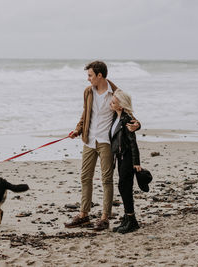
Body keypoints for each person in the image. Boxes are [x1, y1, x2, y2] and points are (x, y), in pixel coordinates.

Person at [64, 61, 140, 231]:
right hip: (89, 141)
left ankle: (105, 217)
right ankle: (84, 215)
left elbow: (129, 114)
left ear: (100, 75)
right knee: (85, 177)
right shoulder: (88, 92)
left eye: (90, 75)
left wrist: (137, 125)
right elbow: (85, 113)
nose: (88, 78)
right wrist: (77, 130)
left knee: (106, 180)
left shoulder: (116, 93)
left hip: (106, 142)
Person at [109, 89, 141, 234]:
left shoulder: (127, 120)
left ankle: (131, 220)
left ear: (120, 106)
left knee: (124, 186)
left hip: (128, 157)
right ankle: (127, 217)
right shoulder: (116, 116)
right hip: (121, 157)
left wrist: (136, 163)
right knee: (123, 186)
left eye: (113, 102)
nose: (111, 103)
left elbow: (133, 142)